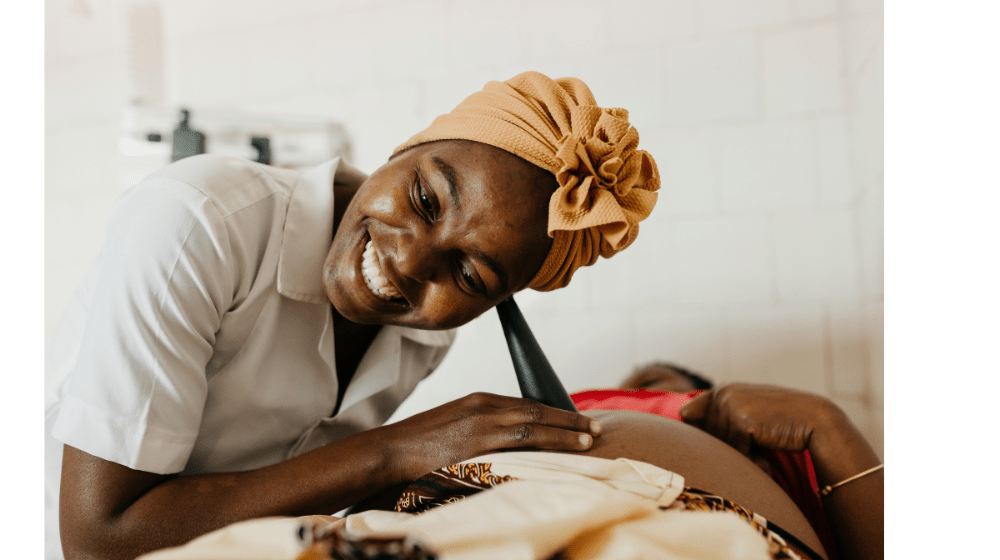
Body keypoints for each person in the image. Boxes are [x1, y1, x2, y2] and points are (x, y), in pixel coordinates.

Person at [44, 72, 659, 560]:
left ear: (497, 304)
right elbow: (101, 540)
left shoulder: (423, 336)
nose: (411, 261)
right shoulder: (196, 222)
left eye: (471, 275)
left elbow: (288, 498)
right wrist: (393, 451)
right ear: (409, 145)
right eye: (425, 197)